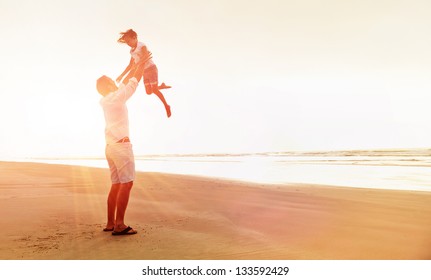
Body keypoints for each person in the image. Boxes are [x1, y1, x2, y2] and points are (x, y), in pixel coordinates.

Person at [96, 53, 151, 236]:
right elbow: (133, 82)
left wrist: (136, 64)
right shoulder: (117, 97)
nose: (115, 82)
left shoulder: (106, 100)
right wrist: (142, 64)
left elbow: (126, 81)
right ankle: (119, 224)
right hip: (121, 146)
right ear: (108, 86)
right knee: (126, 184)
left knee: (116, 184)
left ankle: (110, 223)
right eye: (112, 81)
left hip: (111, 147)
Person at [116, 29, 172, 118]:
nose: (128, 43)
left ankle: (166, 105)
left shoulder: (141, 45)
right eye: (126, 42)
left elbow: (146, 56)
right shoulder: (131, 51)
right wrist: (121, 75)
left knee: (154, 90)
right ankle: (160, 86)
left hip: (152, 68)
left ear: (134, 38)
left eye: (129, 41)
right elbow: (130, 65)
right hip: (144, 71)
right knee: (149, 92)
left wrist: (137, 64)